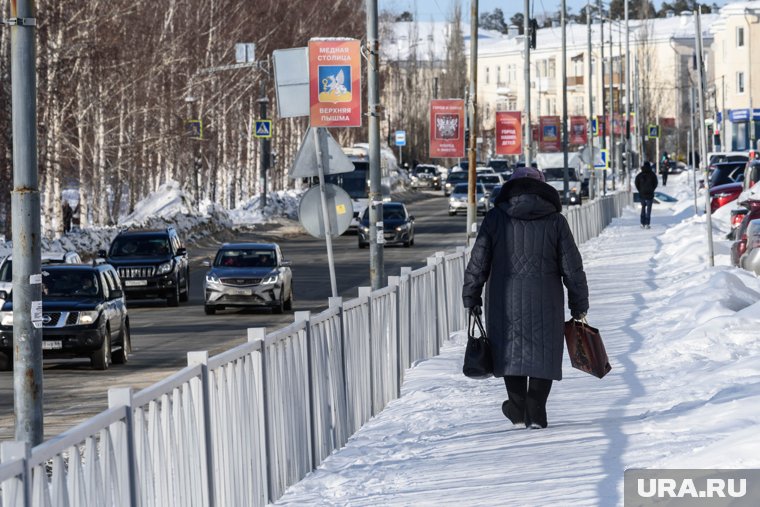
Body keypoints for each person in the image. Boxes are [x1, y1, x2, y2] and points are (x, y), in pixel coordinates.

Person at [462, 166, 589, 429]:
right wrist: (579, 305)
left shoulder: (496, 218)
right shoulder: (556, 221)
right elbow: (572, 267)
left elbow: (478, 262)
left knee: (511, 351)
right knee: (543, 354)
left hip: (504, 302)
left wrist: (471, 296)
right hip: (547, 302)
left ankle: (518, 409)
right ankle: (536, 407)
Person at [635, 161, 658, 229]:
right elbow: (655, 183)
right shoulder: (652, 174)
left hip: (642, 195)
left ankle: (642, 223)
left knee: (643, 208)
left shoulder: (640, 175)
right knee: (649, 210)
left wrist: (640, 190)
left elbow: (636, 183)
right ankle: (647, 223)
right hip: (650, 195)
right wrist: (652, 189)